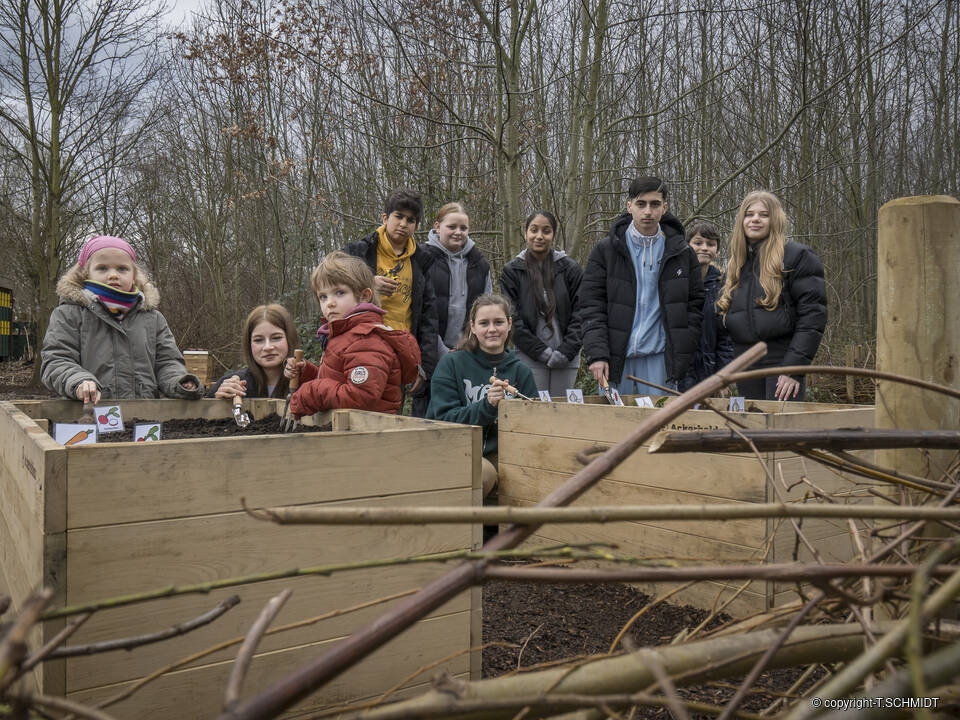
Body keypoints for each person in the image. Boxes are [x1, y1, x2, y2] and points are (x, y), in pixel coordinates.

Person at [580, 176, 704, 396]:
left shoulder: (682, 253)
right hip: (615, 359)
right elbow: (591, 305)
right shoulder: (606, 251)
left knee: (661, 427)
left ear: (664, 208)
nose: (648, 211)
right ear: (629, 206)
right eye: (641, 204)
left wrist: (683, 347)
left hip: (660, 359)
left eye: (655, 204)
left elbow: (694, 306)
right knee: (613, 427)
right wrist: (597, 354)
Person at [41, 235, 203, 403]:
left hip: (145, 417)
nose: (113, 275)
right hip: (87, 415)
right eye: (102, 268)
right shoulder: (69, 313)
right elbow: (56, 360)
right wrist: (78, 380)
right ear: (85, 274)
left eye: (122, 269)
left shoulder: (152, 318)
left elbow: (167, 362)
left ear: (134, 276)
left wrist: (179, 382)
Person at [716, 190, 826, 401]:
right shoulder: (736, 266)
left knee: (780, 431)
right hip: (745, 363)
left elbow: (813, 318)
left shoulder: (797, 257)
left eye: (763, 214)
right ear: (742, 221)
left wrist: (793, 369)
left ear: (774, 219)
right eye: (749, 214)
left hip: (782, 360)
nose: (755, 219)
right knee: (752, 428)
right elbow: (724, 322)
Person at [427, 294, 538, 497]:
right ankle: (462, 528)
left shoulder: (521, 371)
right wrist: (487, 406)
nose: (492, 329)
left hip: (504, 453)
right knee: (482, 474)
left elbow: (533, 425)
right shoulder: (451, 364)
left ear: (509, 324)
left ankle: (515, 528)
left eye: (498, 322)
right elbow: (443, 420)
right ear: (473, 326)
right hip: (455, 449)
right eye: (484, 323)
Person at [287, 251, 421, 416]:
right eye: (323, 296)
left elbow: (359, 397)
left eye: (340, 293)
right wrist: (306, 373)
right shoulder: (342, 335)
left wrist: (311, 392)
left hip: (369, 435)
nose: (329, 303)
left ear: (364, 296)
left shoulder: (365, 339)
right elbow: (336, 383)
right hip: (347, 431)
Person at [344, 188, 439, 416]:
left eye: (411, 220)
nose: (403, 224)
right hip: (360, 347)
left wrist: (423, 368)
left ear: (417, 226)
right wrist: (366, 283)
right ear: (385, 218)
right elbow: (330, 284)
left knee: (390, 414)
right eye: (398, 216)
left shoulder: (422, 261)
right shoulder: (359, 251)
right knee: (356, 412)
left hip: (399, 352)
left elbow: (429, 319)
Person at [500, 211, 583, 397]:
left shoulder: (570, 269)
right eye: (534, 230)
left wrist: (565, 352)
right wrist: (543, 353)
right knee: (535, 411)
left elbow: (582, 313)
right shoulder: (512, 271)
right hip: (530, 357)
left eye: (546, 231)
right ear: (525, 233)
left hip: (567, 358)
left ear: (553, 234)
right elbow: (512, 319)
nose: (539, 236)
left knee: (563, 412)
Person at [420, 202, 492, 359]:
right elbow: (418, 312)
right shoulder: (421, 259)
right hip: (428, 352)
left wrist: (468, 345)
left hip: (469, 351)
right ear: (438, 227)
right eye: (452, 227)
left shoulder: (480, 264)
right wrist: (441, 351)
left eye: (463, 228)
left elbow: (486, 311)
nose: (458, 232)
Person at [678, 220, 735, 391]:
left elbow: (727, 338)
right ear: (687, 246)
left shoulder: (724, 287)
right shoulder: (676, 281)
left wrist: (723, 375)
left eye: (710, 244)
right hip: (678, 369)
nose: (704, 248)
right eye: (698, 243)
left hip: (709, 370)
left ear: (717, 251)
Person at [206, 304, 299, 400]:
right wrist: (217, 403)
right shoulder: (232, 384)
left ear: (289, 339)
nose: (267, 347)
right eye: (258, 340)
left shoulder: (308, 384)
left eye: (276, 338)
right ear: (249, 344)